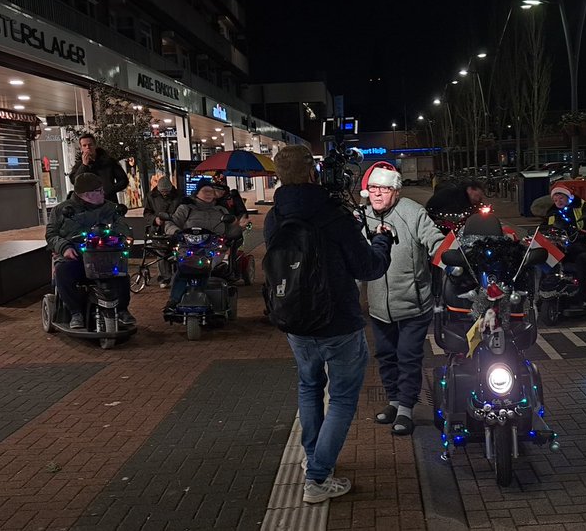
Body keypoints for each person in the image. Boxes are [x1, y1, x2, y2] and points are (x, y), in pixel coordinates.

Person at [263, 144, 392, 503]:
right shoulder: (333, 215)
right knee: (342, 399)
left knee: (309, 387)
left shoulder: (275, 216)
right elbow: (368, 267)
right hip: (338, 321)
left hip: (295, 318)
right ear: (312, 173)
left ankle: (313, 460)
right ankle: (318, 478)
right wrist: (382, 242)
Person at [359, 162, 445, 436]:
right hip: (378, 307)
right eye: (374, 187)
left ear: (396, 191)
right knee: (386, 356)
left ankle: (406, 409)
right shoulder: (362, 216)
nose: (377, 193)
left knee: (408, 357)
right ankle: (394, 402)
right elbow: (356, 259)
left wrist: (447, 255)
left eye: (384, 189)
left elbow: (434, 239)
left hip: (413, 305)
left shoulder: (412, 212)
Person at [46, 173, 135, 329]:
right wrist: (64, 247)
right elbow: (51, 235)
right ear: (87, 194)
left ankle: (121, 309)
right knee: (63, 272)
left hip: (105, 256)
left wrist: (122, 238)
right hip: (76, 256)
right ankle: (75, 312)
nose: (103, 193)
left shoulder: (110, 208)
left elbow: (122, 227)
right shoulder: (61, 210)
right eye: (99, 191)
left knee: (121, 273)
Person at [163, 177, 236, 310]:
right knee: (183, 269)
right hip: (189, 248)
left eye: (211, 191)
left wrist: (237, 229)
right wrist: (176, 232)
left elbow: (231, 229)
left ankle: (206, 299)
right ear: (197, 193)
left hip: (213, 249)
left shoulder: (221, 210)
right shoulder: (186, 208)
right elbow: (171, 223)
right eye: (205, 191)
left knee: (206, 268)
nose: (208, 194)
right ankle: (174, 300)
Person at [543, 185, 586, 304]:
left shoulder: (582, 206)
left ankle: (582, 296)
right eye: (555, 200)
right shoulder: (553, 212)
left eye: (561, 198)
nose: (558, 202)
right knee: (546, 258)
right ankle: (546, 293)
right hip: (564, 247)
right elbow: (545, 226)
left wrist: (581, 232)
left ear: (568, 197)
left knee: (582, 259)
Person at [143, 175, 183, 288]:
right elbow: (147, 213)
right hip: (158, 229)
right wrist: (154, 219)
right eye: (162, 191)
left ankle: (177, 276)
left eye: (167, 191)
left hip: (174, 227)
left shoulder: (179, 196)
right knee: (161, 253)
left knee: (177, 252)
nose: (165, 193)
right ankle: (165, 278)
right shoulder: (151, 196)